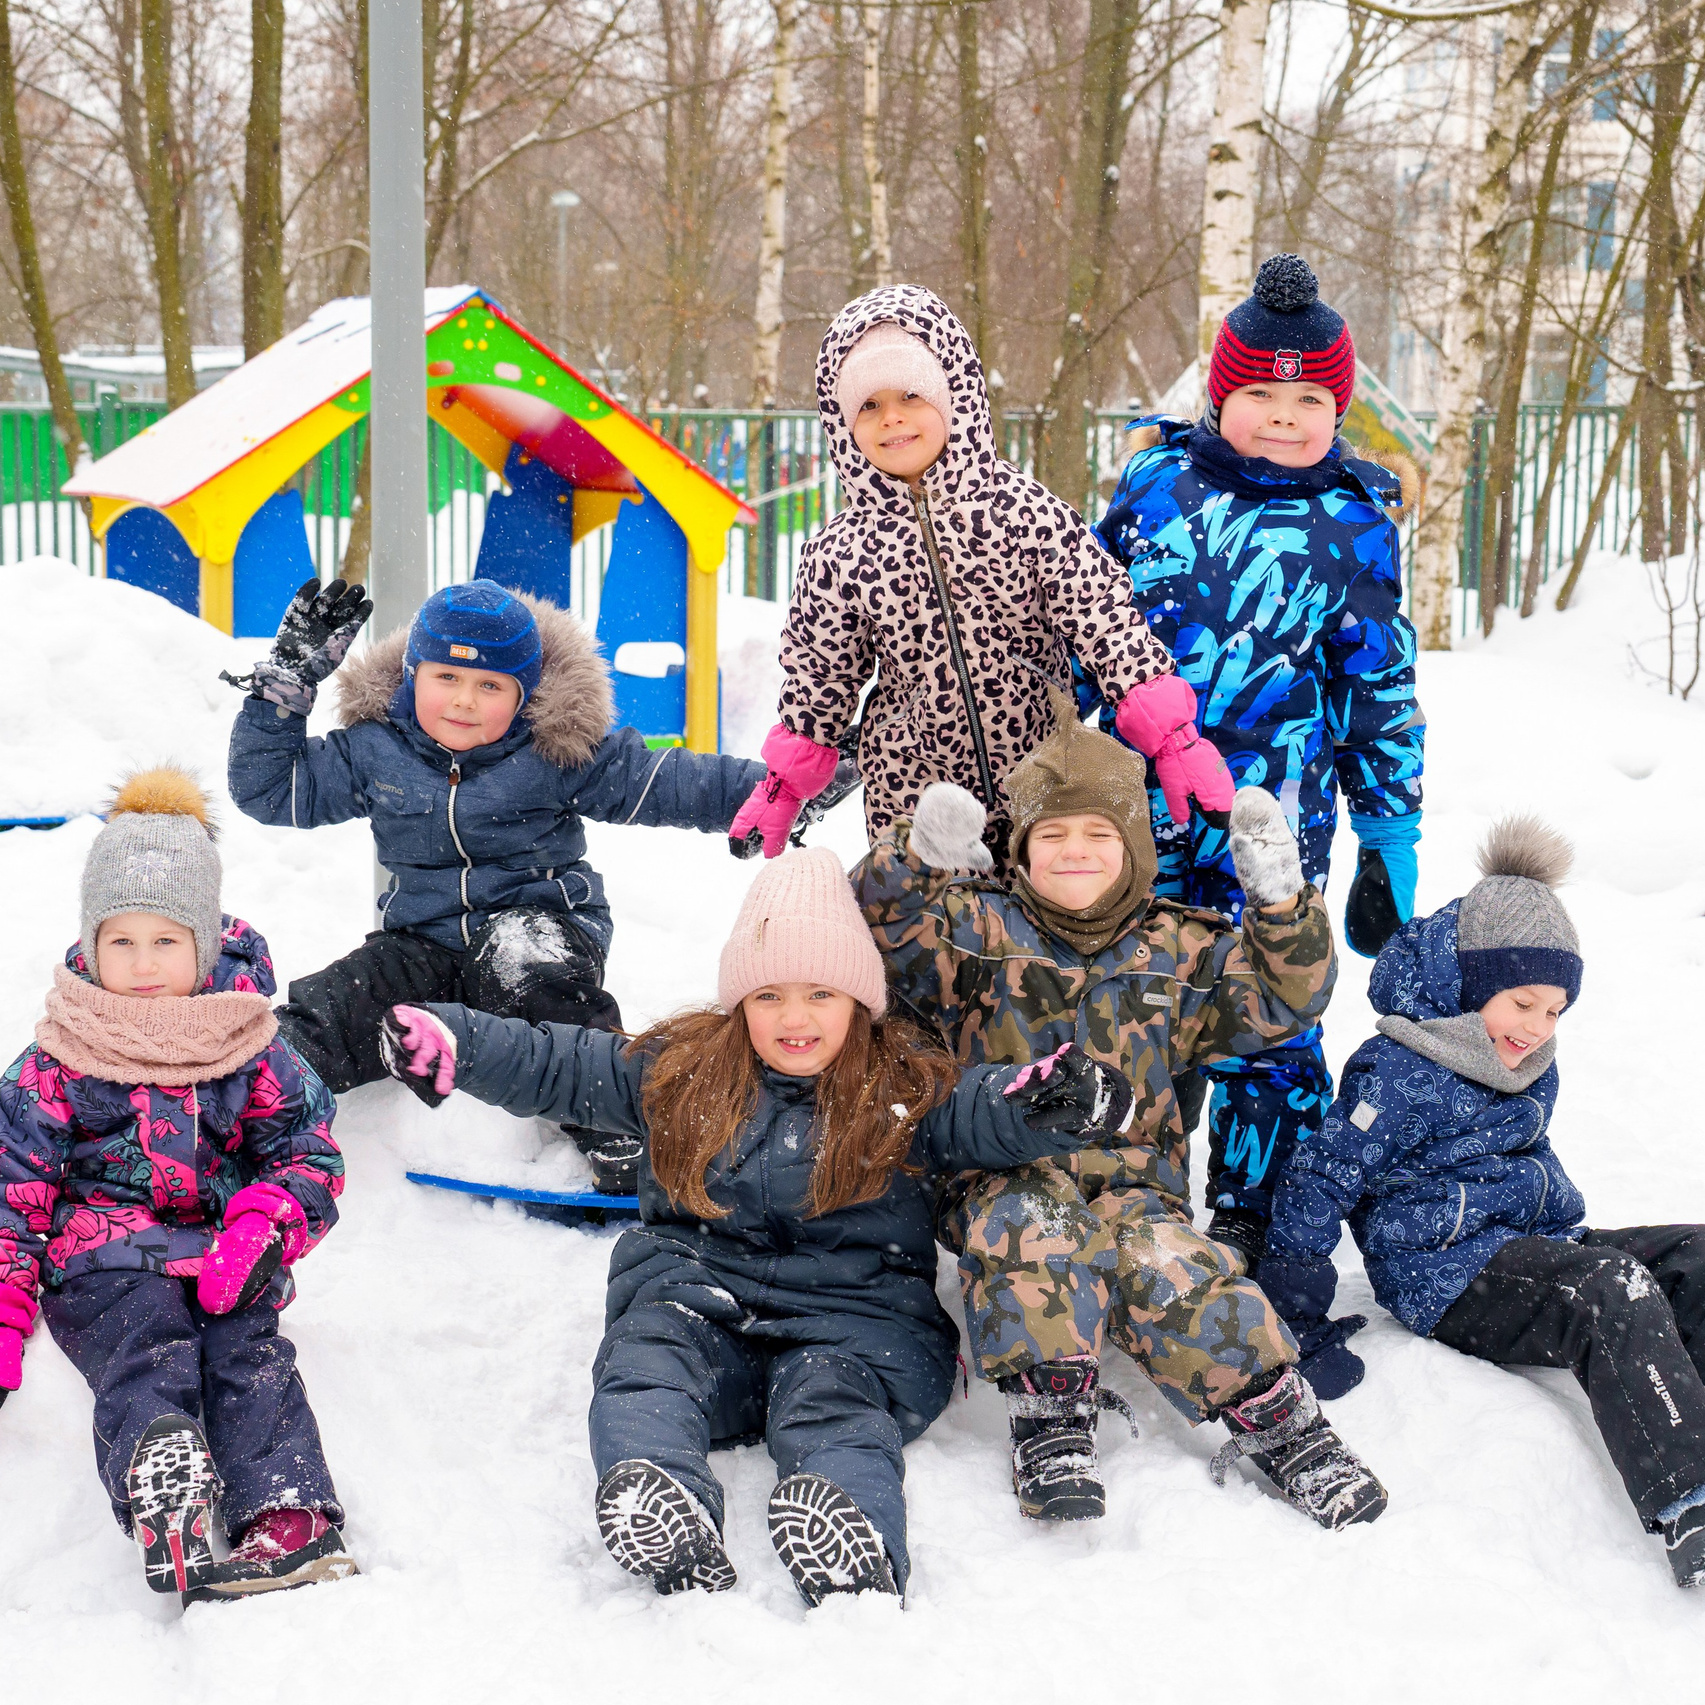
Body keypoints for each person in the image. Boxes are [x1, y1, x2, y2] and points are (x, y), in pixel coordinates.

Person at [377, 847, 1136, 1603]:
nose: (794, 1018)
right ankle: (661, 1495)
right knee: (647, 1361)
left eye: (820, 994)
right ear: (739, 1001)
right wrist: (460, 1043)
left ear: (858, 1001)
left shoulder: (902, 1087)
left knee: (833, 1406)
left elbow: (989, 1108)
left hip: (854, 1325)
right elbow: (560, 1063)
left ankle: (852, 1535)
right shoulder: (681, 1071)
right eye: (769, 994)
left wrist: (1059, 1100)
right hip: (701, 1303)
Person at [851, 697, 1385, 1531]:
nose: (1074, 850)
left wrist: (1281, 905)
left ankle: (1282, 1421)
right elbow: (883, 931)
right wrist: (915, 861)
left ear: (1132, 847)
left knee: (1176, 1269)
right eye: (1052, 834)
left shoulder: (1178, 948)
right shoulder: (976, 930)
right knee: (1034, 1232)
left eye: (1097, 833)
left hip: (1136, 1187)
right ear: (1020, 850)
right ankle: (1052, 1417)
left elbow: (1286, 998)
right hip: (1001, 1175)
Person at [1262, 817, 1705, 1588]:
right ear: (1467, 984)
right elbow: (1318, 1177)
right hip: (1443, 1272)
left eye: (1554, 1010)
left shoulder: (1522, 1059)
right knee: (1606, 1291)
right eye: (1522, 1001)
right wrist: (1293, 1316)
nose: (1536, 1028)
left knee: (1694, 1253)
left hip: (1527, 1241)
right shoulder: (1397, 1069)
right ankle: (1688, 1498)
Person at [1089, 252, 1424, 1265]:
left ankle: (1256, 1211)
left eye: (1309, 399)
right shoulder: (1155, 488)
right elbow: (1084, 627)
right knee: (1126, 999)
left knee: (1272, 1011)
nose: (1283, 416)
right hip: (1137, 811)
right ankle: (1126, 1194)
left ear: (1339, 409)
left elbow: (1377, 689)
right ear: (1220, 396)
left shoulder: (1354, 525)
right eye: (1260, 396)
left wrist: (1389, 832)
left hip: (1273, 825)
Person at [226, 575, 765, 1194]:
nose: (463, 700)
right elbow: (272, 791)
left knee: (532, 980)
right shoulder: (376, 749)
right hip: (423, 942)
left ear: (523, 693)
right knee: (340, 1006)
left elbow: (664, 779)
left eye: (490, 685)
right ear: (412, 675)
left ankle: (619, 1124)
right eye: (446, 677)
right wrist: (285, 687)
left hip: (539, 928)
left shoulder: (553, 749)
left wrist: (774, 793)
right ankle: (243, 1103)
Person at [727, 283, 1232, 866]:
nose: (892, 417)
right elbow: (821, 675)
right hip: (913, 803)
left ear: (954, 394)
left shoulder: (1025, 514)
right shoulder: (841, 553)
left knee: (1041, 919)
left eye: (911, 394)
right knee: (930, 926)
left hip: (1041, 785)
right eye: (868, 405)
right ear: (842, 424)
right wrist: (784, 785)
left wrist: (1173, 739)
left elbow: (1105, 621)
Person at [0, 768, 351, 1604]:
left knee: (248, 1354)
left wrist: (266, 1222)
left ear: (205, 940)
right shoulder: (60, 1054)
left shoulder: (249, 1043)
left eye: (166, 941)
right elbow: (11, 1188)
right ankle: (166, 1482)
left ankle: (288, 1513)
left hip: (226, 1254)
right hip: (104, 1259)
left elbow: (306, 1151)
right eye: (121, 941)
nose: (143, 963)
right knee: (142, 1344)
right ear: (92, 944)